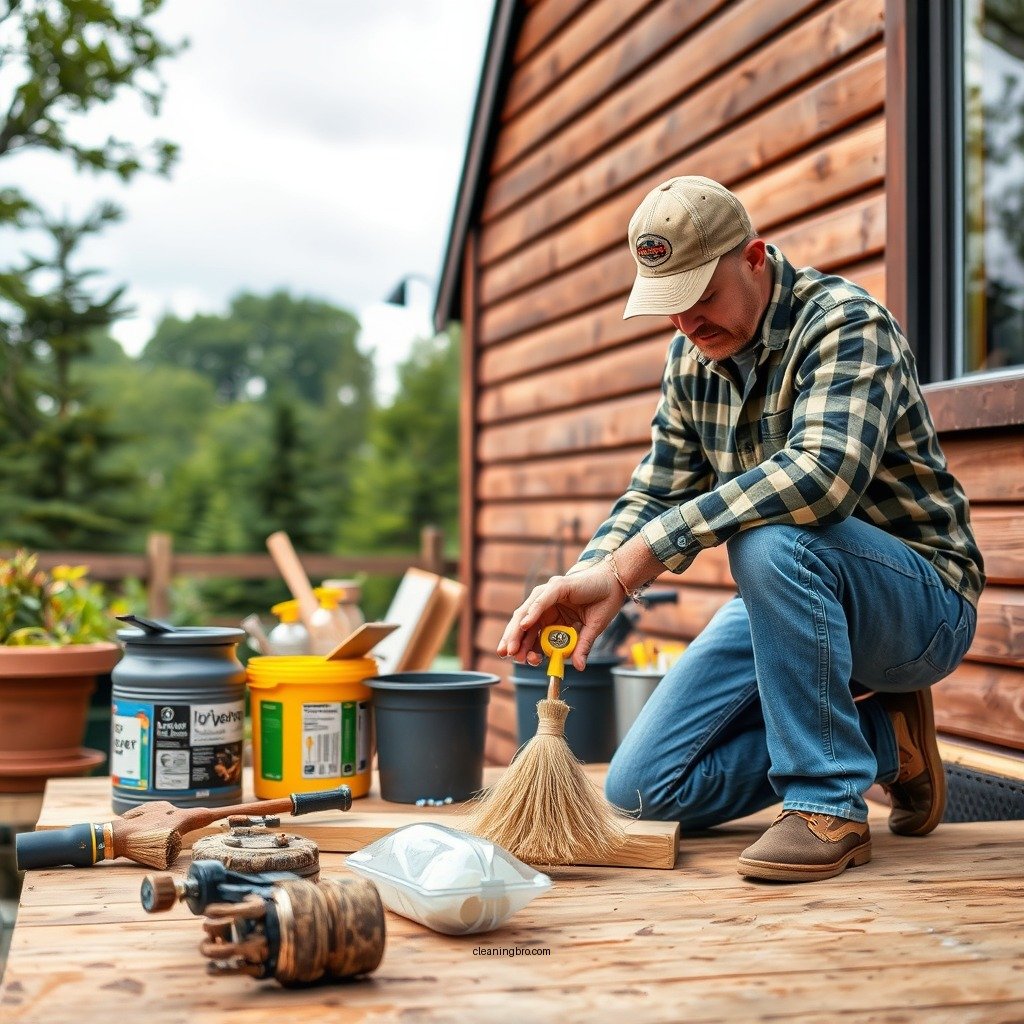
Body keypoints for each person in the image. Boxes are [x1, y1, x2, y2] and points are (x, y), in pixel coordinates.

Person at [497, 175, 984, 883]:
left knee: (769, 538)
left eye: (701, 297)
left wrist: (637, 562)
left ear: (754, 258)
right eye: (670, 308)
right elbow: (658, 488)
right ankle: (892, 739)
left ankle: (826, 806)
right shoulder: (694, 360)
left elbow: (820, 477)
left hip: (919, 607)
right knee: (643, 790)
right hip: (791, 589)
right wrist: (591, 572)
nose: (688, 324)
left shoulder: (845, 324)